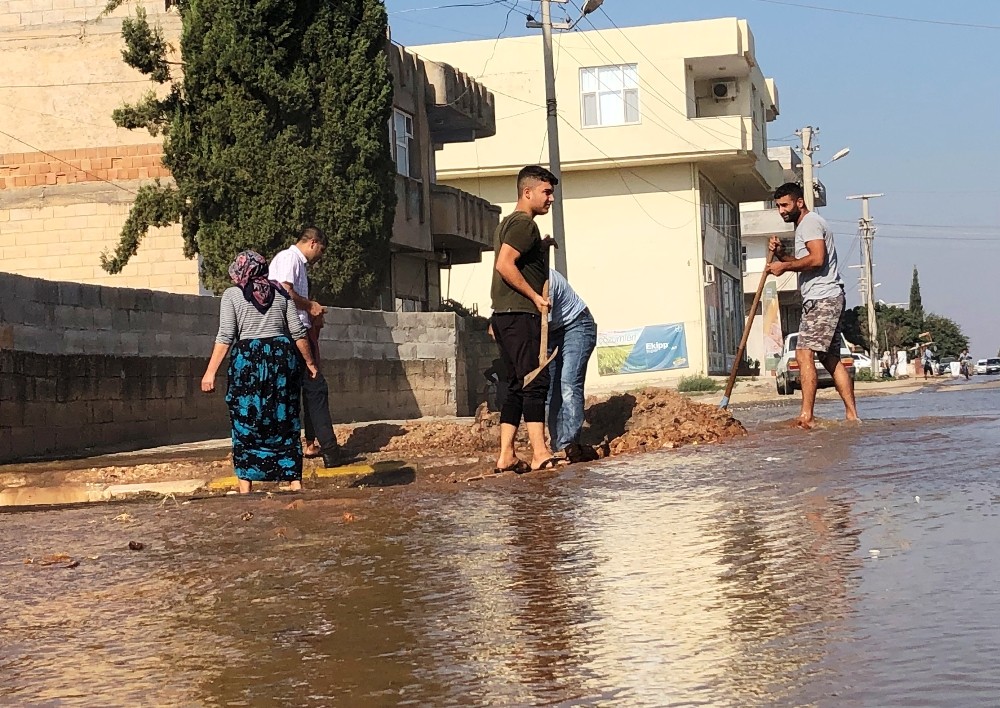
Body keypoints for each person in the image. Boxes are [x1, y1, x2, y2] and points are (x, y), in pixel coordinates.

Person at [201, 251, 319, 494]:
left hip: (247, 363)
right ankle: (294, 482)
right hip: (281, 361)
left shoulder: (232, 295)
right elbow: (297, 332)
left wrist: (210, 373)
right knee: (285, 417)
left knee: (246, 420)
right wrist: (310, 363)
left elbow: (225, 336)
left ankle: (246, 486)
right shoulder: (280, 293)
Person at [489, 165, 565, 472]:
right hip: (521, 315)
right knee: (535, 380)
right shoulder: (524, 225)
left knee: (517, 385)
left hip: (505, 315)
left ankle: (506, 455)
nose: (551, 199)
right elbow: (504, 265)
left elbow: (510, 262)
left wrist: (541, 248)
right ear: (527, 192)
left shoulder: (508, 223)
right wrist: (535, 297)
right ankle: (539, 453)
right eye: (546, 193)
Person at [765, 182, 858, 429]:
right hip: (826, 296)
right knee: (830, 358)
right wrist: (783, 255)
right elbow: (805, 262)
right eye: (778, 206)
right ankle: (852, 417)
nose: (781, 211)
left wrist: (783, 267)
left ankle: (807, 415)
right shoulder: (804, 226)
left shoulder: (810, 223)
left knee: (803, 353)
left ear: (799, 202)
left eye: (785, 205)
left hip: (823, 298)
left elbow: (817, 259)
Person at [269, 226, 345, 468]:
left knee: (307, 390)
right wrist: (310, 306)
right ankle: (328, 450)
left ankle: (311, 444)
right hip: (292, 334)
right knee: (314, 386)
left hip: (299, 331)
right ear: (313, 242)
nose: (319, 256)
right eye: (320, 250)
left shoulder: (298, 264)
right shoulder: (289, 258)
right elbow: (284, 292)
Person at [546, 268, 597, 461]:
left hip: (577, 324)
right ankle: (557, 444)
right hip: (552, 331)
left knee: (568, 383)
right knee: (550, 391)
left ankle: (569, 445)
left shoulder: (545, 282)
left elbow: (541, 322)